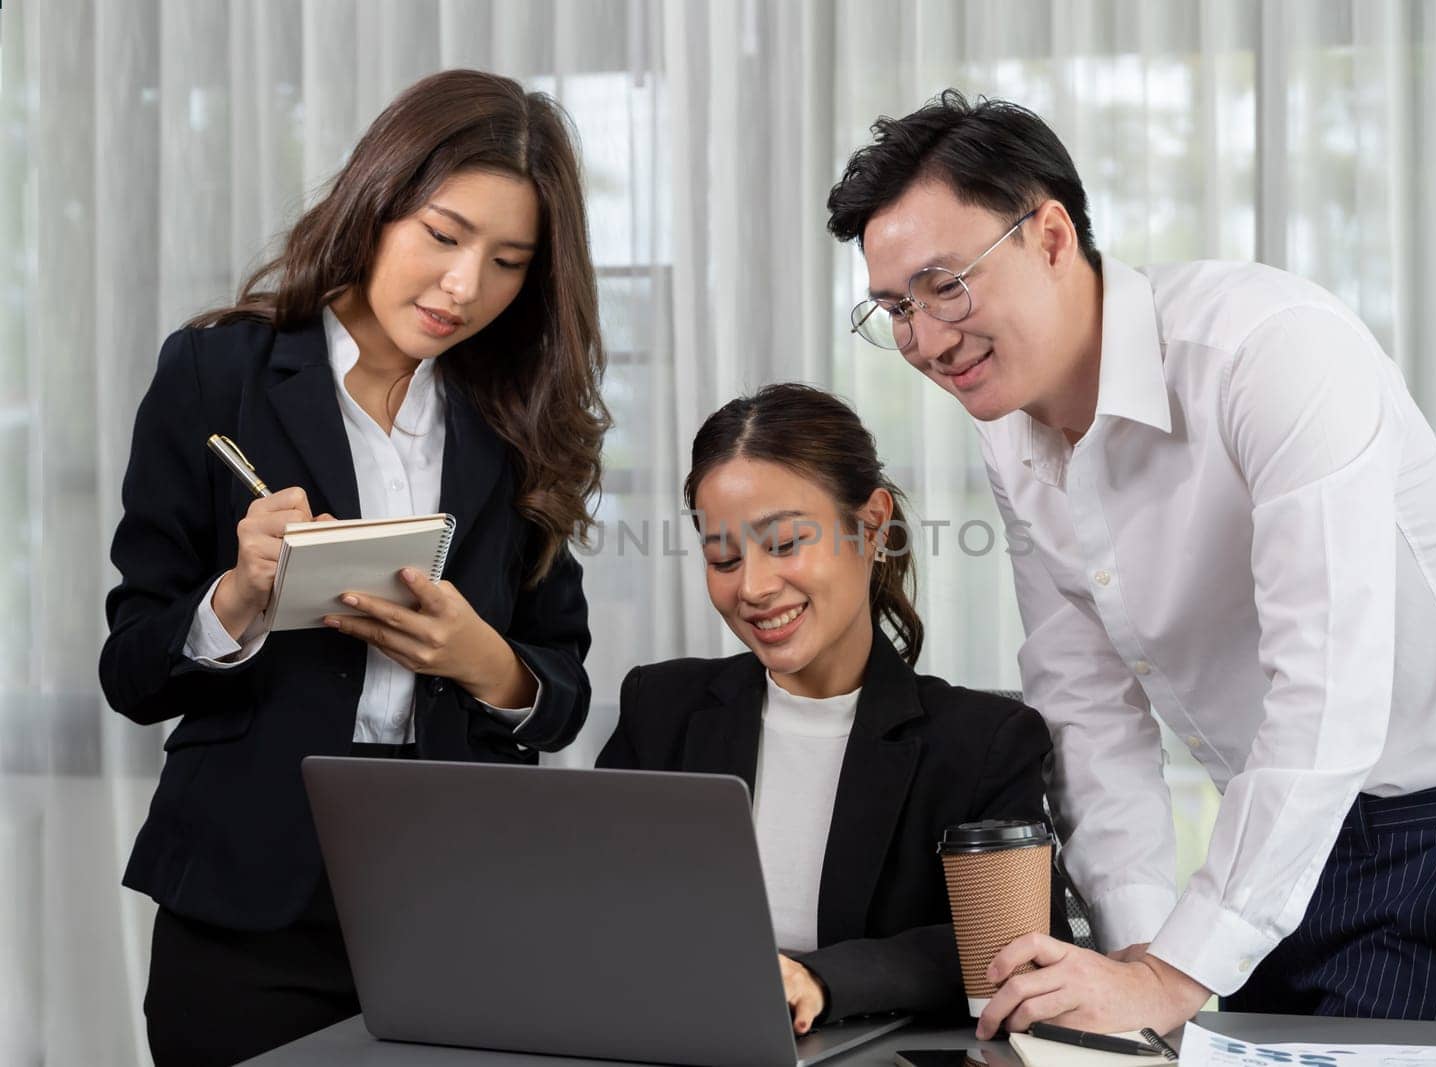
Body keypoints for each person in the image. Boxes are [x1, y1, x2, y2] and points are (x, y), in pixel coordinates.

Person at [825, 90, 1436, 1035]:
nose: (925, 340)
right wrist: (1141, 956)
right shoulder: (1010, 431)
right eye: (894, 308)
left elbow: (1329, 688)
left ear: (1051, 235)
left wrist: (1177, 971)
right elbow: (1087, 699)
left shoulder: (1272, 351)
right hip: (1274, 832)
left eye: (946, 285)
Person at [99, 69, 609, 1066]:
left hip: (458, 895)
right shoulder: (216, 374)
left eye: (509, 261)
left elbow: (562, 692)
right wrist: (239, 596)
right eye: (445, 236)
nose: (466, 288)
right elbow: (132, 669)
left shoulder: (513, 421)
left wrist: (483, 660)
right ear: (375, 203)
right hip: (251, 898)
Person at [598, 383, 1059, 1033]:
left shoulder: (983, 742)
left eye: (784, 544)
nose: (753, 588)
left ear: (871, 526)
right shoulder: (662, 708)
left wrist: (824, 978)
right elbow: (592, 906)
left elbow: (1019, 949)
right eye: (723, 556)